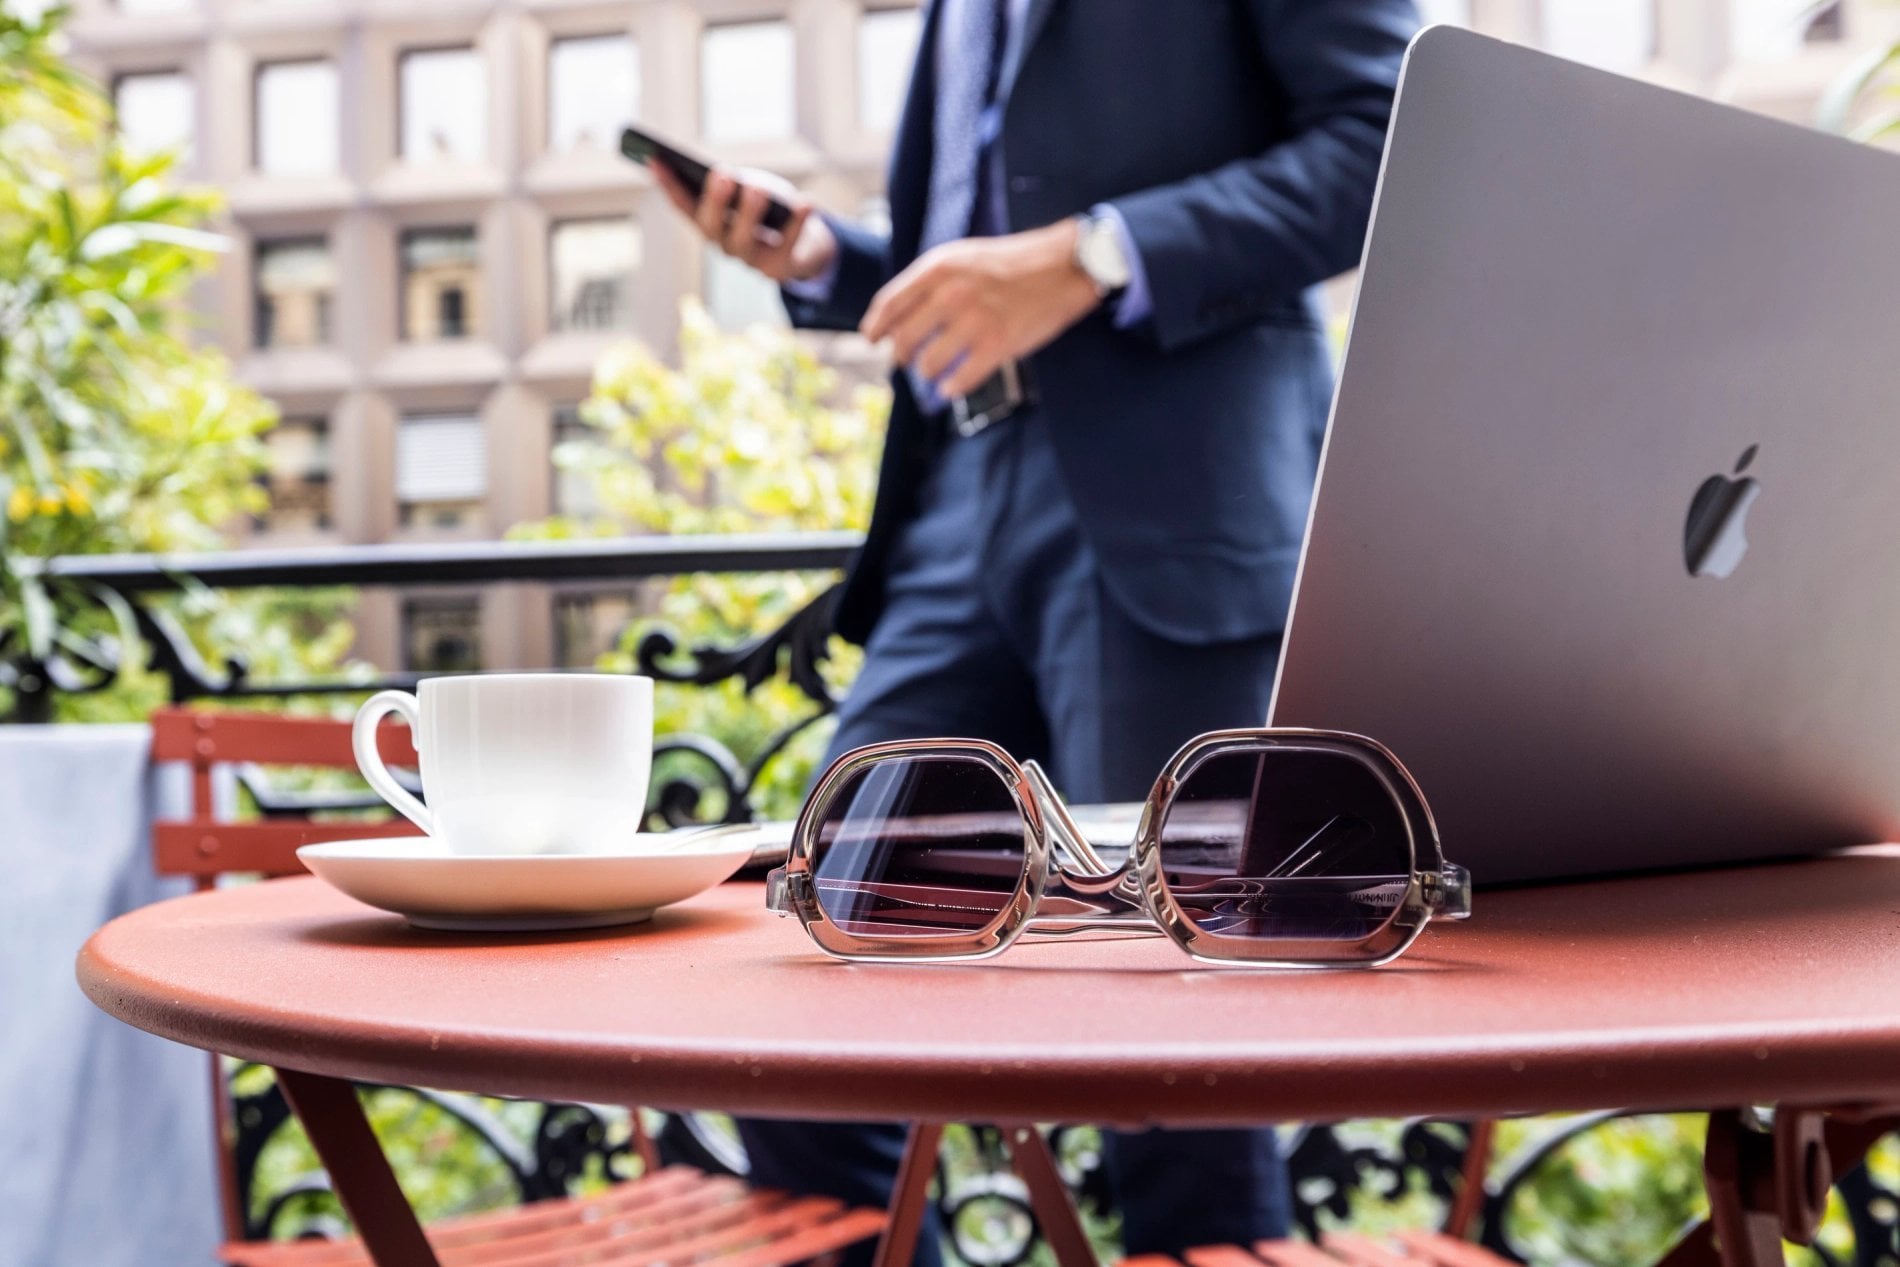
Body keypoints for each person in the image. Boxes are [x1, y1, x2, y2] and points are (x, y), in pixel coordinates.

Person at [655, 0, 1420, 1259]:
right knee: (821, 987)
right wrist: (829, 264)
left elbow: (1390, 141)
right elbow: (984, 258)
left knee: (1176, 1056)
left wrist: (1095, 255)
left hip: (1174, 504)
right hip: (956, 502)